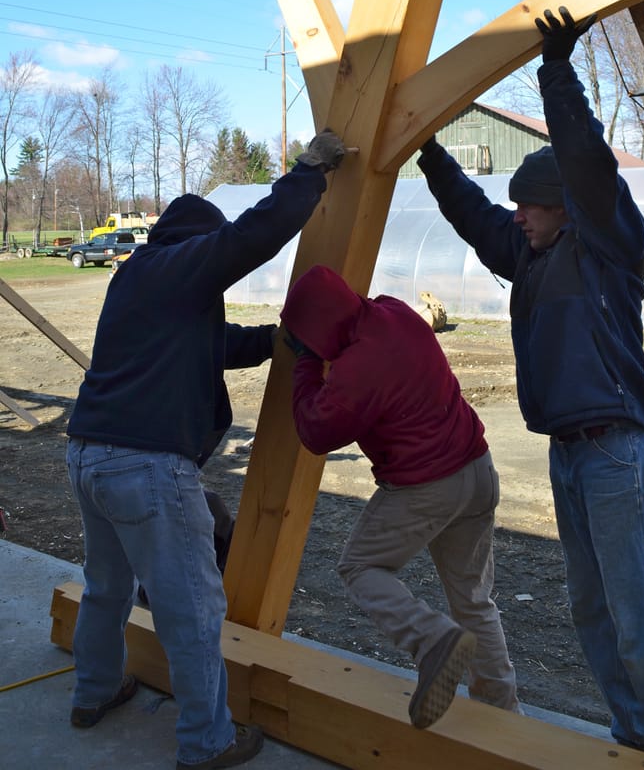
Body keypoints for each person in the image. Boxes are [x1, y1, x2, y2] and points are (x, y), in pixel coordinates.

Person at [417, 6, 644, 768]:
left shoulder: (609, 249)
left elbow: (587, 162)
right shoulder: (528, 254)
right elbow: (472, 214)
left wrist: (557, 73)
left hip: (618, 449)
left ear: (564, 208)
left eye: (531, 204)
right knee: (595, 615)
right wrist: (427, 153)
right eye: (517, 205)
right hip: (569, 456)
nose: (517, 215)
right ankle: (642, 742)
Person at [65, 129, 346, 770]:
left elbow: (212, 345)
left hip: (87, 455)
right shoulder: (186, 263)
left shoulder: (139, 280)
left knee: (106, 587)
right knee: (191, 606)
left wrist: (278, 340)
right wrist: (308, 173)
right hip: (145, 465)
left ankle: (95, 691)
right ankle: (206, 742)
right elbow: (251, 237)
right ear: (198, 242)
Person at [280, 264, 521, 731]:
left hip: (428, 485)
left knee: (360, 566)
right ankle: (503, 716)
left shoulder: (358, 370)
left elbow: (316, 431)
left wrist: (307, 363)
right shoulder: (394, 311)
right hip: (478, 470)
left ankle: (430, 640)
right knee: (473, 600)